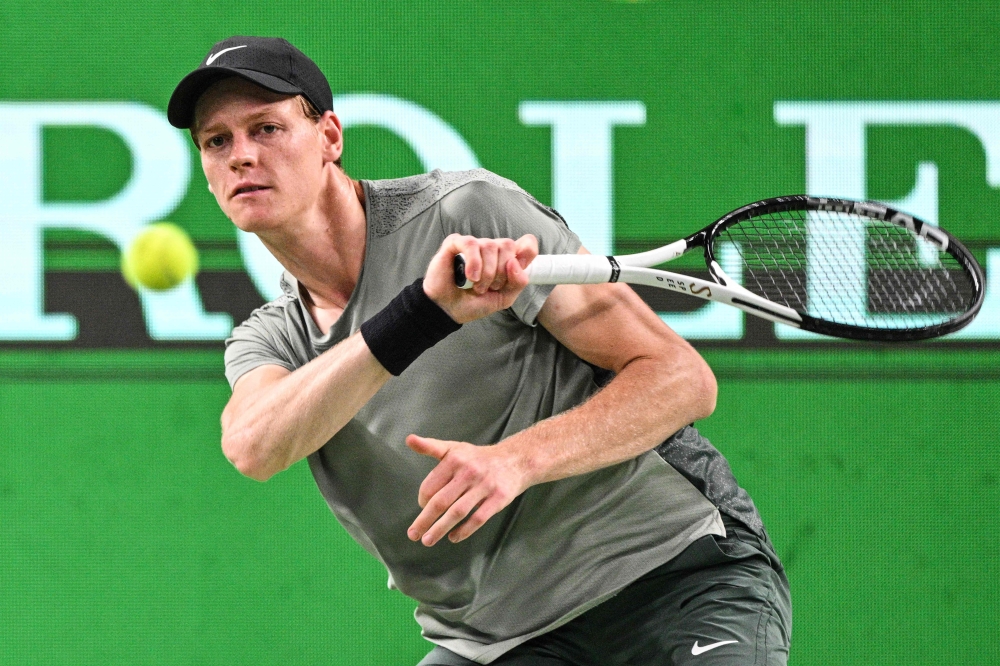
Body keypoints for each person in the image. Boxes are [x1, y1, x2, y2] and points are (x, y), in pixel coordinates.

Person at [167, 36, 791, 665]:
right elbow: (253, 445)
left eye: (267, 127)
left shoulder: (466, 213)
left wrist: (517, 459)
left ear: (330, 137)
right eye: (217, 141)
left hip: (676, 575)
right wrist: (423, 314)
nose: (241, 154)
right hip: (500, 644)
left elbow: (681, 379)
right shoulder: (272, 339)